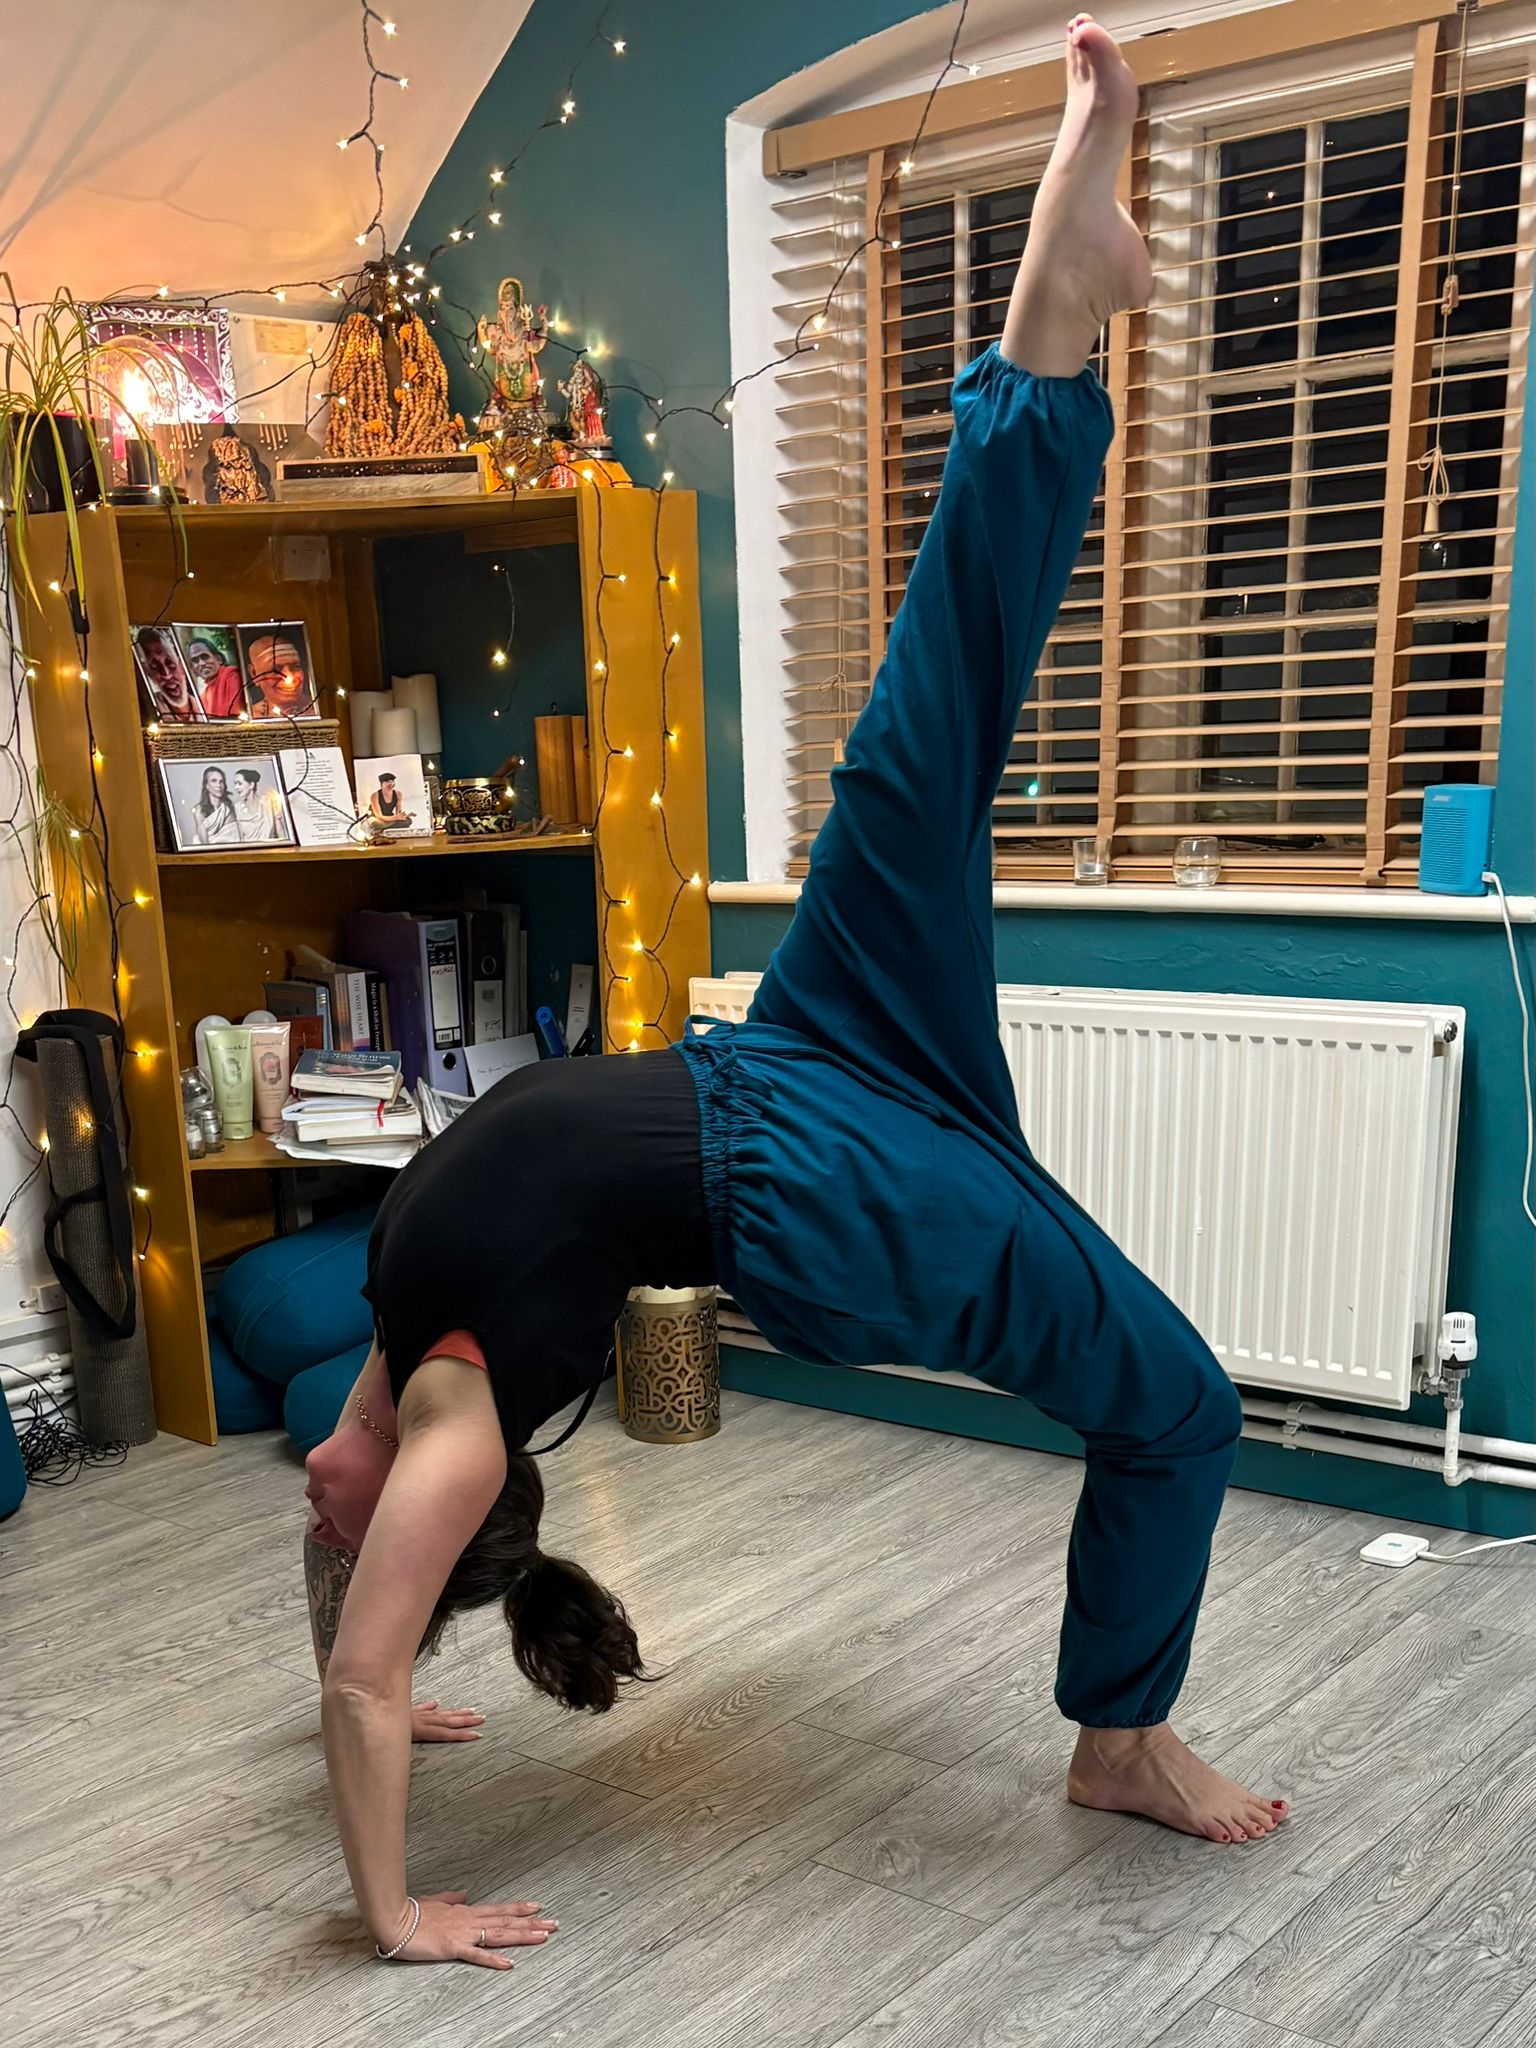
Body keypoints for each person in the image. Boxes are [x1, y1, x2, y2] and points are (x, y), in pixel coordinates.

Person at [301, 20, 1286, 1975]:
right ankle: (1119, 1735)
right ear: (429, 1512)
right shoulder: (456, 1432)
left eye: (328, 1527)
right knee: (1178, 1400)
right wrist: (395, 1907)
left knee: (915, 750)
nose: (314, 1501)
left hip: (794, 1046)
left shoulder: (390, 1310)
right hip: (819, 1199)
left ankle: (1048, 330)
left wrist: (403, 1663)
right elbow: (350, 1669)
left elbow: (355, 1630)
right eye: (352, 1529)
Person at [133, 626, 201, 724]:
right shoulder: (147, 712)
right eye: (155, 666)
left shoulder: (205, 704)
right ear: (149, 674)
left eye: (170, 663)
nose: (166, 674)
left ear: (182, 666)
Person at [243, 629, 316, 719]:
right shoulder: (251, 717)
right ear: (254, 674)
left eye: (295, 667)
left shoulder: (319, 709)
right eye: (276, 670)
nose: (289, 678)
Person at [181, 633, 245, 719]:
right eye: (195, 660)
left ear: (218, 659)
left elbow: (237, 718)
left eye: (205, 657)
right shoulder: (203, 697)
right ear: (193, 668)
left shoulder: (234, 678)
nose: (201, 663)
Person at [232, 766, 285, 841]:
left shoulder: (268, 802)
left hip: (270, 846)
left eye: (239, 783)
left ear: (251, 785)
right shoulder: (237, 808)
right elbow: (238, 838)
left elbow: (280, 832)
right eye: (235, 784)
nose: (236, 787)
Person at [188, 766, 239, 845]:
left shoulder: (228, 809)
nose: (218, 785)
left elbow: (234, 837)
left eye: (221, 781)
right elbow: (205, 844)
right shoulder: (199, 810)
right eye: (214, 781)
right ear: (206, 785)